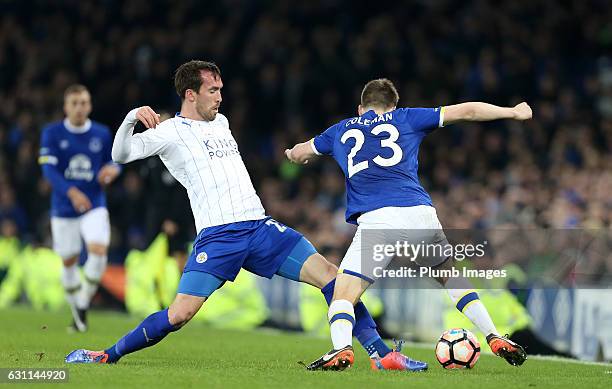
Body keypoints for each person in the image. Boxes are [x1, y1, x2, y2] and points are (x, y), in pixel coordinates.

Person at [65, 61, 425, 371]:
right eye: (212, 90)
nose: (219, 96)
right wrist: (131, 119)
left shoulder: (221, 122)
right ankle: (106, 356)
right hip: (219, 237)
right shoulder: (169, 132)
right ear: (190, 94)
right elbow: (122, 153)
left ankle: (381, 354)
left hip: (259, 227)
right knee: (179, 314)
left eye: (220, 89)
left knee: (333, 277)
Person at [285, 78, 532, 370]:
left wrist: (292, 155)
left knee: (344, 292)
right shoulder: (406, 117)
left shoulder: (339, 131)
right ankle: (492, 334)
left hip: (377, 220)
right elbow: (466, 110)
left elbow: (300, 151)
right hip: (418, 213)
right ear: (392, 105)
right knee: (450, 277)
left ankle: (341, 348)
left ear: (360, 107)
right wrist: (512, 112)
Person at [39, 84, 120, 332]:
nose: (79, 108)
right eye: (74, 103)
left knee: (98, 250)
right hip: (64, 207)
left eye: (83, 103)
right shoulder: (52, 133)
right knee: (69, 260)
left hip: (94, 203)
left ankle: (83, 304)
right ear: (65, 107)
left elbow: (115, 160)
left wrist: (113, 170)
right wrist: (72, 192)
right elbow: (49, 170)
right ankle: (78, 314)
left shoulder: (102, 133)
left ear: (90, 106)